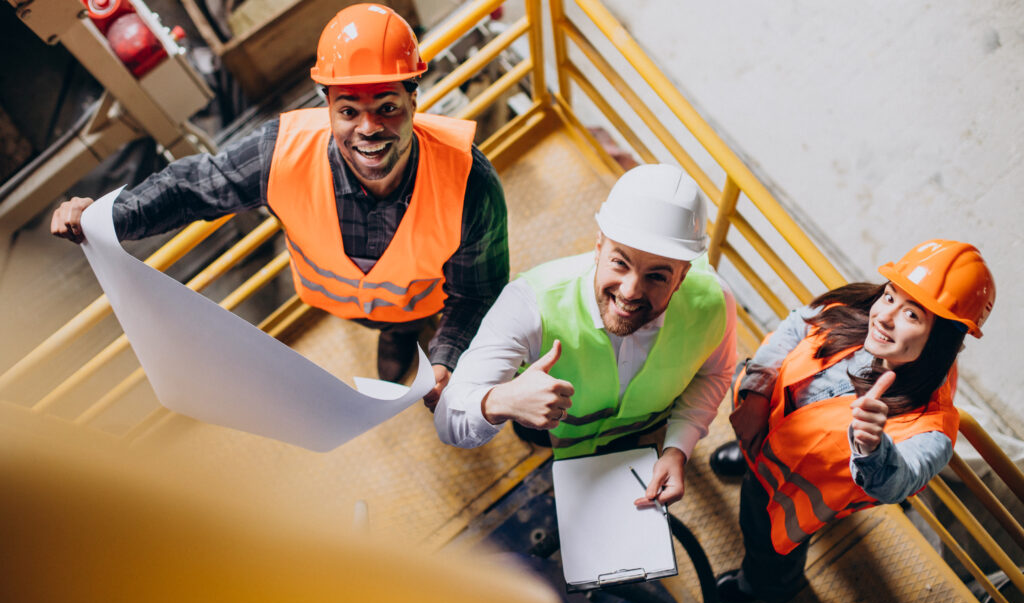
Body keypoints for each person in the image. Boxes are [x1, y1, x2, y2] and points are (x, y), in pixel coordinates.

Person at [49, 3, 509, 409]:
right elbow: (194, 187)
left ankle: (404, 335)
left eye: (387, 107)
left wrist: (447, 357)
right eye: (349, 110)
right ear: (326, 105)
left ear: (413, 99)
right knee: (384, 332)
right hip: (346, 303)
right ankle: (391, 337)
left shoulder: (469, 183)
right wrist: (112, 215)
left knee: (408, 326)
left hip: (417, 301)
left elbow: (474, 293)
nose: (368, 128)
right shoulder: (280, 154)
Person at [710, 239, 996, 603]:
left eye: (913, 315)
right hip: (765, 436)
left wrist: (871, 446)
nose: (885, 317)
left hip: (788, 494)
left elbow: (898, 482)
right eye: (891, 297)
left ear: (943, 340)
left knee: (766, 534)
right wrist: (758, 393)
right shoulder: (854, 310)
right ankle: (754, 461)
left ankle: (769, 584)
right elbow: (797, 325)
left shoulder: (932, 428)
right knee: (756, 479)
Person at [435, 164, 737, 508]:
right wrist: (503, 401)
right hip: (548, 428)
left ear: (682, 278)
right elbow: (449, 417)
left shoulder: (715, 303)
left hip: (643, 429)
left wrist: (677, 447)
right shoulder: (530, 303)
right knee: (532, 432)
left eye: (657, 276)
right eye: (620, 263)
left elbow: (713, 374)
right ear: (598, 247)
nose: (630, 293)